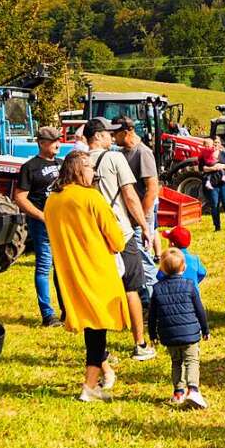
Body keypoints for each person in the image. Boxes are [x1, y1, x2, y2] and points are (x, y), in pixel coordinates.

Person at [44, 151, 130, 402]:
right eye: (90, 167)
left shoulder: (52, 201)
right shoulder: (91, 198)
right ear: (79, 170)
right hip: (96, 271)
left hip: (68, 273)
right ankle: (90, 387)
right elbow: (117, 240)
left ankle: (101, 374)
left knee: (91, 330)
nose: (94, 172)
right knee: (97, 329)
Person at [84, 117, 156, 361]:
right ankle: (140, 343)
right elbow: (130, 196)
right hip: (120, 232)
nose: (111, 137)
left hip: (91, 236)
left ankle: (100, 351)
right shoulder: (114, 158)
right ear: (98, 136)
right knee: (132, 288)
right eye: (107, 133)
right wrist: (145, 226)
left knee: (98, 292)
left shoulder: (76, 162)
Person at [14, 126, 63, 327]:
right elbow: (20, 198)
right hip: (42, 225)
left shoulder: (62, 164)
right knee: (44, 266)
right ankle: (48, 315)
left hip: (63, 224)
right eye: (53, 141)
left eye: (58, 140)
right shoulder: (30, 167)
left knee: (62, 268)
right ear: (42, 143)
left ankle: (67, 310)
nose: (57, 144)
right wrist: (42, 217)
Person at [149, 248, 210, 409]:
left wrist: (152, 334)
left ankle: (178, 393)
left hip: (168, 335)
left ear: (161, 269)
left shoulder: (156, 289)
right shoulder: (189, 286)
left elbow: (152, 315)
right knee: (191, 360)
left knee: (176, 362)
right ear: (183, 268)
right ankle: (193, 390)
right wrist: (205, 329)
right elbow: (199, 310)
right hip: (190, 334)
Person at [113, 116, 160, 305]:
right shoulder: (123, 152)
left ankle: (155, 302)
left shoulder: (142, 153)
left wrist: (139, 219)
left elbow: (151, 190)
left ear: (126, 132)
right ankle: (143, 299)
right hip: (129, 217)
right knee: (134, 260)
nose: (112, 137)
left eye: (114, 133)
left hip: (140, 218)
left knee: (144, 261)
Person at [200, 137, 225, 232]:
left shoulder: (224, 154)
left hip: (224, 183)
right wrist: (214, 168)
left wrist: (222, 166)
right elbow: (202, 168)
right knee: (214, 205)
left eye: (217, 142)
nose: (215, 144)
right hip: (212, 184)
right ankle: (217, 227)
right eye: (214, 143)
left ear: (220, 144)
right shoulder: (205, 155)